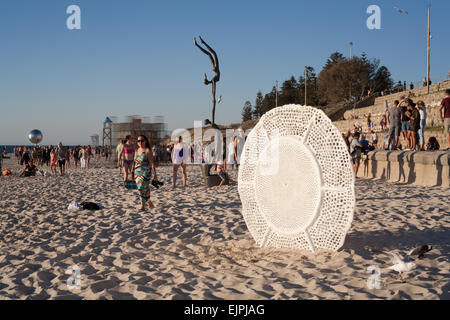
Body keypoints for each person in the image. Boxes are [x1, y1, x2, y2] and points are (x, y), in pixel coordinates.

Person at [133, 135, 157, 210]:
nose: (140, 142)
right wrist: (131, 172)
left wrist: (155, 175)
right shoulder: (136, 150)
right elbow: (134, 163)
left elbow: (152, 163)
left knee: (141, 188)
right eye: (138, 141)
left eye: (142, 140)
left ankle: (142, 205)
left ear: (145, 141)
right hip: (137, 172)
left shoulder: (148, 150)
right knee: (144, 188)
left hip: (145, 172)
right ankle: (149, 202)